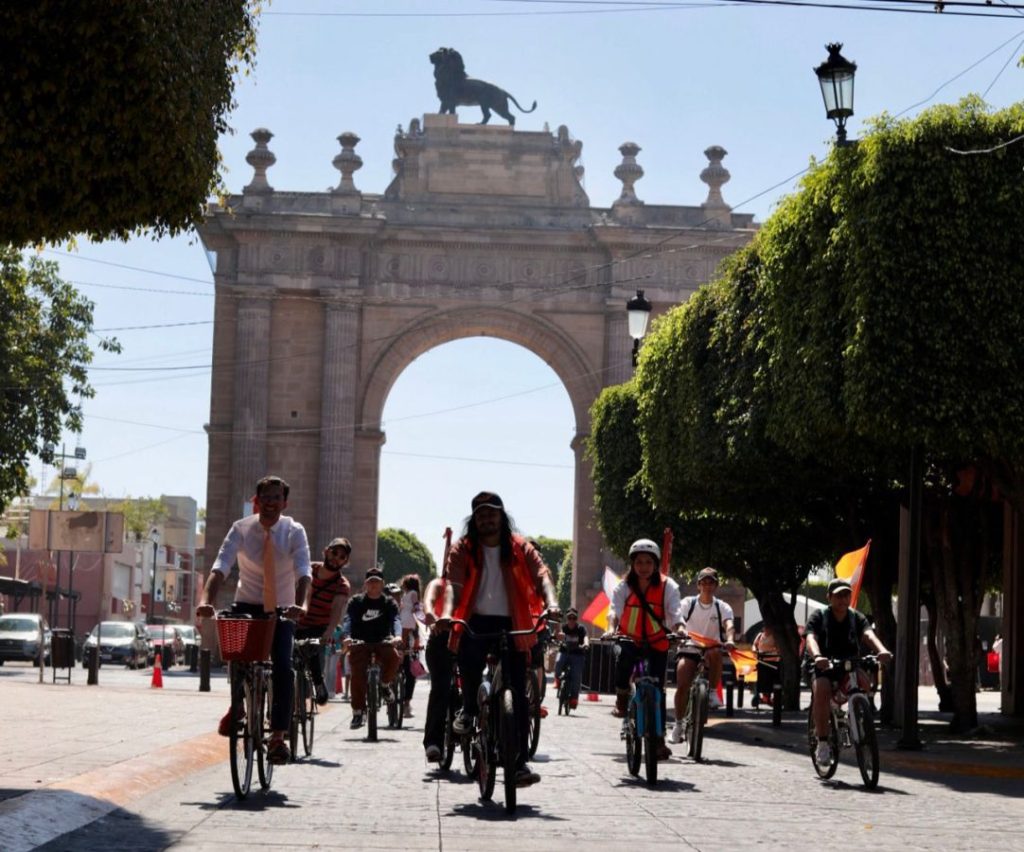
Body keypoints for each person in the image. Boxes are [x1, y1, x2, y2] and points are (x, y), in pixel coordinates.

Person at [440, 491, 560, 787]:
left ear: (502, 517)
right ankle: (470, 710)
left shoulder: (520, 547)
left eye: (492, 514)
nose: (487, 520)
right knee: (469, 664)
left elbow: (542, 575)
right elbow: (453, 586)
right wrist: (447, 613)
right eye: (481, 515)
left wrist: (552, 604)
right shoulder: (463, 549)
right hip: (475, 620)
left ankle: (518, 764)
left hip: (513, 621)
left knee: (517, 694)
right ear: (474, 520)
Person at [197, 475, 312, 765]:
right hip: (247, 603)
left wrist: (301, 605)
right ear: (256, 501)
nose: (270, 503)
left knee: (283, 667)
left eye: (276, 498)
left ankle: (278, 737)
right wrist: (206, 601)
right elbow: (220, 567)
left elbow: (303, 571)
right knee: (237, 655)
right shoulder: (241, 529)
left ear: (284, 503)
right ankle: (237, 705)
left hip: (283, 608)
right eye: (265, 498)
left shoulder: (294, 531)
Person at [606, 538, 685, 761]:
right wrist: (611, 629)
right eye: (639, 562)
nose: (643, 567)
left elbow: (675, 613)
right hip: (629, 639)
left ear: (656, 564)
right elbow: (614, 611)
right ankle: (622, 699)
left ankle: (658, 741)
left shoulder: (668, 586)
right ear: (632, 564)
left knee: (658, 689)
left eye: (648, 562)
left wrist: (680, 629)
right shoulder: (623, 586)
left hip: (657, 641)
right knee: (623, 663)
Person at [804, 577, 892, 766]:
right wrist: (818, 656)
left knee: (864, 682)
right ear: (829, 597)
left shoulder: (856, 617)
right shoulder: (819, 616)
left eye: (846, 595)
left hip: (848, 663)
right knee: (822, 689)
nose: (843, 599)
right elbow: (810, 638)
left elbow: (869, 634)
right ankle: (823, 743)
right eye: (838, 596)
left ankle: (856, 717)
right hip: (823, 664)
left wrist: (881, 650)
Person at [671, 567, 735, 743]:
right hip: (689, 647)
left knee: (716, 652)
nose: (707, 586)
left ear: (716, 586)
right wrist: (680, 630)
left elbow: (729, 625)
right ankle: (678, 725)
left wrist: (730, 639)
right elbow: (679, 621)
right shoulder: (688, 603)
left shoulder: (722, 607)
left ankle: (713, 692)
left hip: (711, 648)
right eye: (704, 582)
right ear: (698, 585)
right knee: (683, 683)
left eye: (711, 583)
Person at [341, 567, 402, 729]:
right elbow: (348, 619)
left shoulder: (389, 602)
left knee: (394, 657)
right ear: (365, 584)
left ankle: (385, 685)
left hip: (383, 641)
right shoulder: (356, 602)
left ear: (382, 584)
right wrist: (347, 636)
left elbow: (396, 619)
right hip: (360, 642)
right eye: (370, 582)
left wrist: (397, 635)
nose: (373, 585)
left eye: (377, 581)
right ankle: (358, 712)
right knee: (357, 674)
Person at [295, 537, 352, 704]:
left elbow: (337, 609)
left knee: (314, 656)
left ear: (345, 562)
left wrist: (329, 632)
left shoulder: (342, 584)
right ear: (326, 551)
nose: (336, 558)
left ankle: (318, 683)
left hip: (318, 627)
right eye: (334, 553)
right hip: (295, 622)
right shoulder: (308, 569)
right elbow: (303, 590)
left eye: (342, 557)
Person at [421, 573, 450, 763]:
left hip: (468, 637)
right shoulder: (438, 584)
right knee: (441, 688)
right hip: (441, 638)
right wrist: (431, 614)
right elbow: (429, 600)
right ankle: (433, 742)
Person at [398, 573, 423, 718]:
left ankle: (403, 702)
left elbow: (414, 606)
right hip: (410, 624)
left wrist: (416, 609)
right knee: (410, 673)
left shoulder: (409, 594)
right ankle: (406, 703)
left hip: (405, 621)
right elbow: (416, 607)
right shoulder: (412, 593)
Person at [553, 608, 588, 710]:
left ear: (576, 619)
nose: (571, 620)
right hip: (564, 652)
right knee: (558, 662)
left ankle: (574, 698)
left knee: (576, 675)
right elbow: (556, 634)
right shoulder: (563, 628)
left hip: (577, 655)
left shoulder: (581, 628)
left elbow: (586, 637)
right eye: (569, 618)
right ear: (566, 618)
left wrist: (586, 644)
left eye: (574, 618)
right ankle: (557, 680)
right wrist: (556, 635)